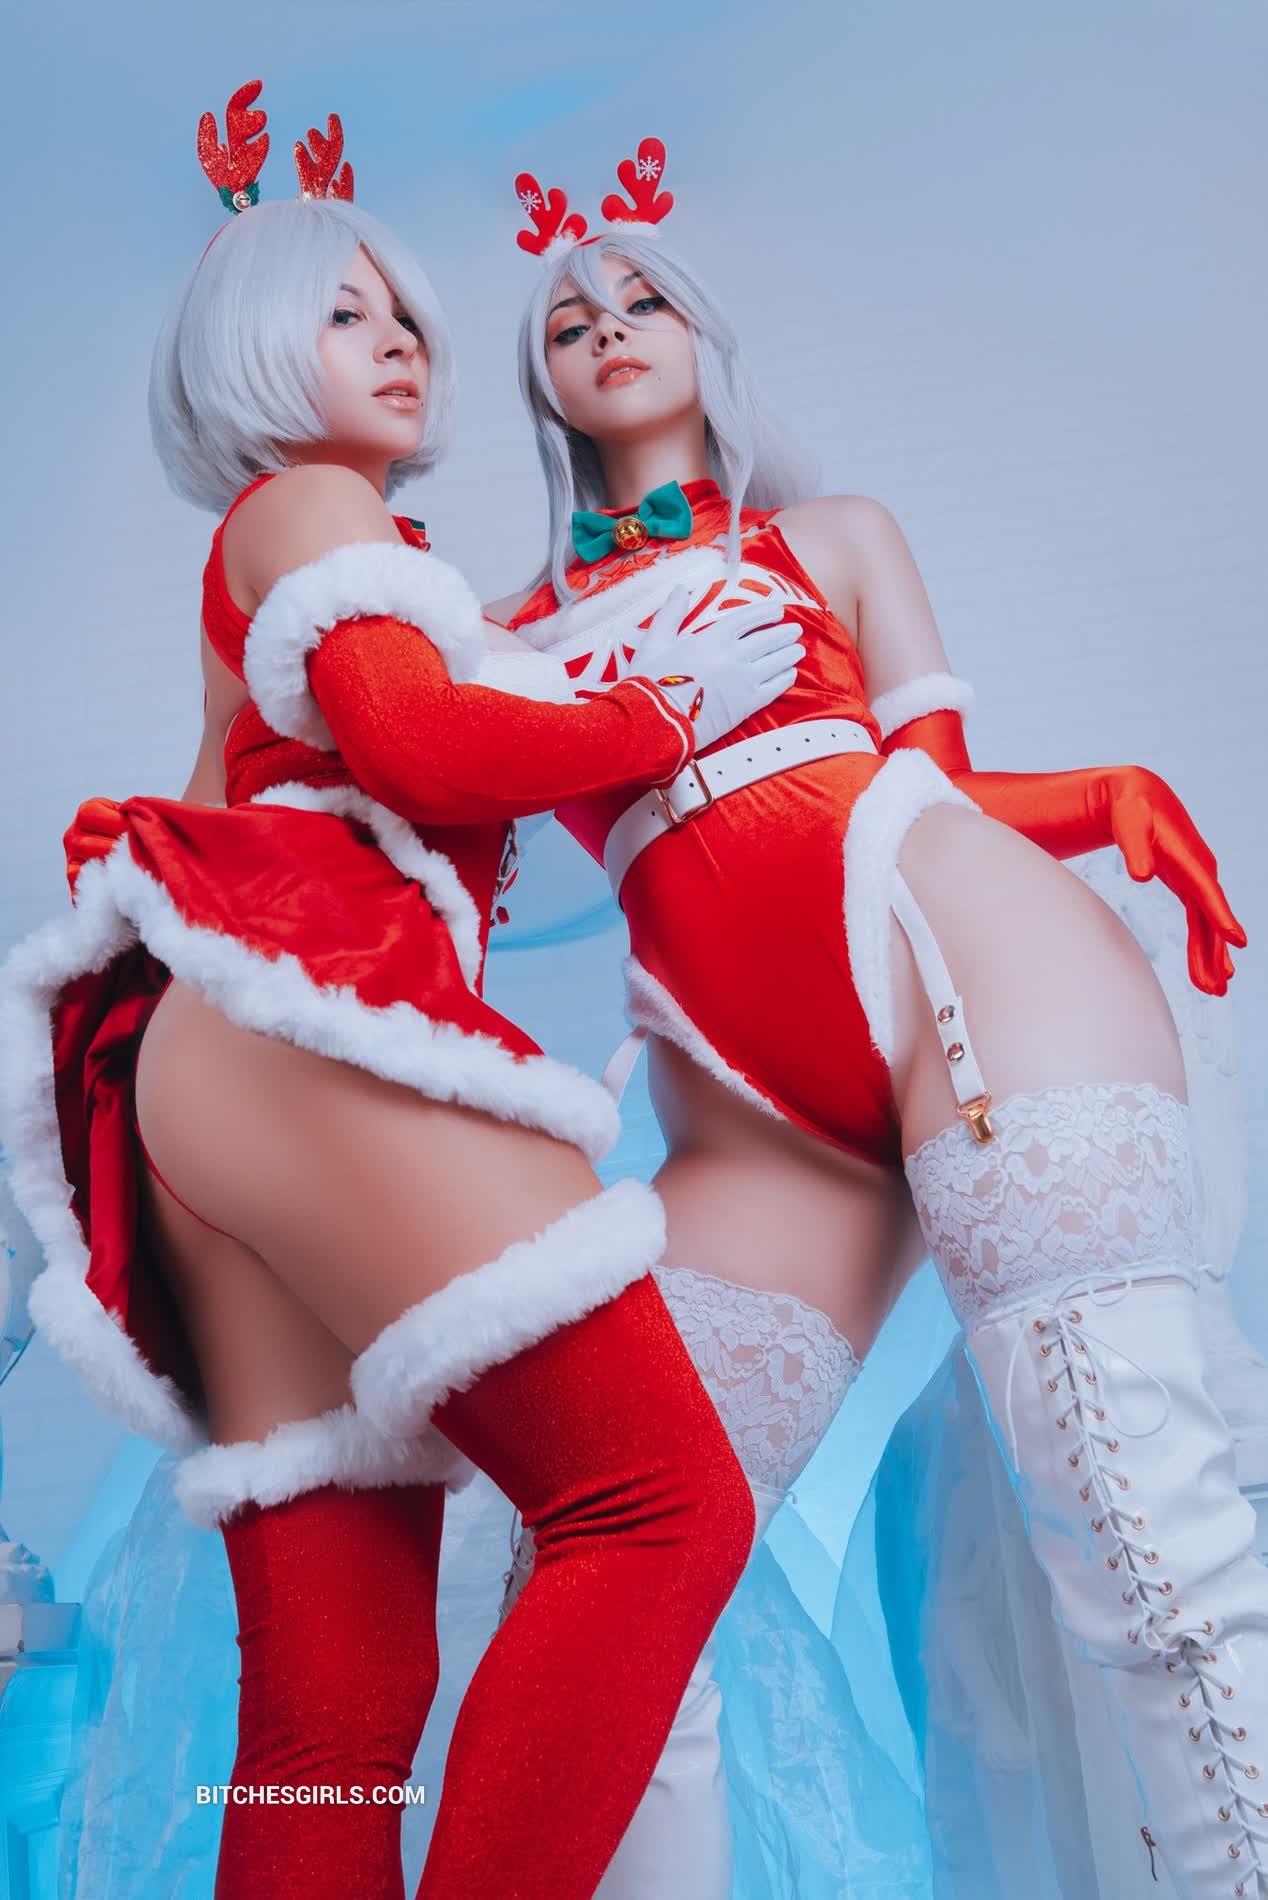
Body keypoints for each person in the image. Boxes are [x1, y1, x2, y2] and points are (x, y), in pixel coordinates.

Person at [0, 92, 823, 1900]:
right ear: (245, 344)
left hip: (212, 1084)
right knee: (656, 1507)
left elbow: (248, 799)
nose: (401, 344)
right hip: (308, 1024)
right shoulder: (311, 502)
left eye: (409, 317)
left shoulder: (297, 555)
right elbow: (417, 747)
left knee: (333, 1718)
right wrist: (656, 713)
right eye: (343, 310)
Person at [483, 137, 1259, 1899]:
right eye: (568, 323)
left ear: (706, 337)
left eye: (642, 298)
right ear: (541, 387)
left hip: (959, 964)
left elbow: (941, 782)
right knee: (601, 1592)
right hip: (741, 1105)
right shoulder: (508, 637)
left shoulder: (831, 536)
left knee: (1142, 1534)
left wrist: (1109, 793)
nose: (608, 329)